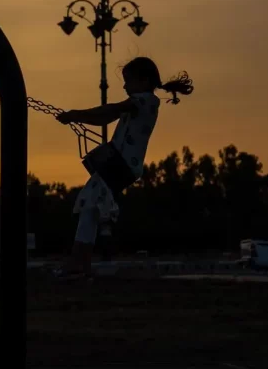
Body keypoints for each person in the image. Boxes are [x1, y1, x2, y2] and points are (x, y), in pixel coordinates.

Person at [53, 57, 194, 280]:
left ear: (144, 80)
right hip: (118, 163)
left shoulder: (147, 101)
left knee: (91, 202)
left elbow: (111, 109)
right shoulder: (140, 102)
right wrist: (76, 117)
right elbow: (106, 117)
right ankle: (82, 263)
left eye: (128, 80)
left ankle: (78, 261)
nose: (125, 86)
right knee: (89, 203)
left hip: (122, 164)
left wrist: (76, 114)